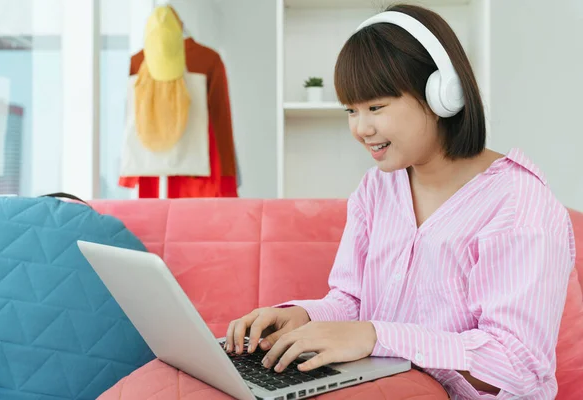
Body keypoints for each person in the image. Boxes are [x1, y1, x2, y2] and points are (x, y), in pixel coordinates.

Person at [224, 3, 575, 399]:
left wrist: (376, 336)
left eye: (375, 107)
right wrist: (302, 316)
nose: (360, 128)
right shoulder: (377, 189)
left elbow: (518, 365)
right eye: (350, 110)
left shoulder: (520, 204)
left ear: (444, 94)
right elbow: (353, 300)